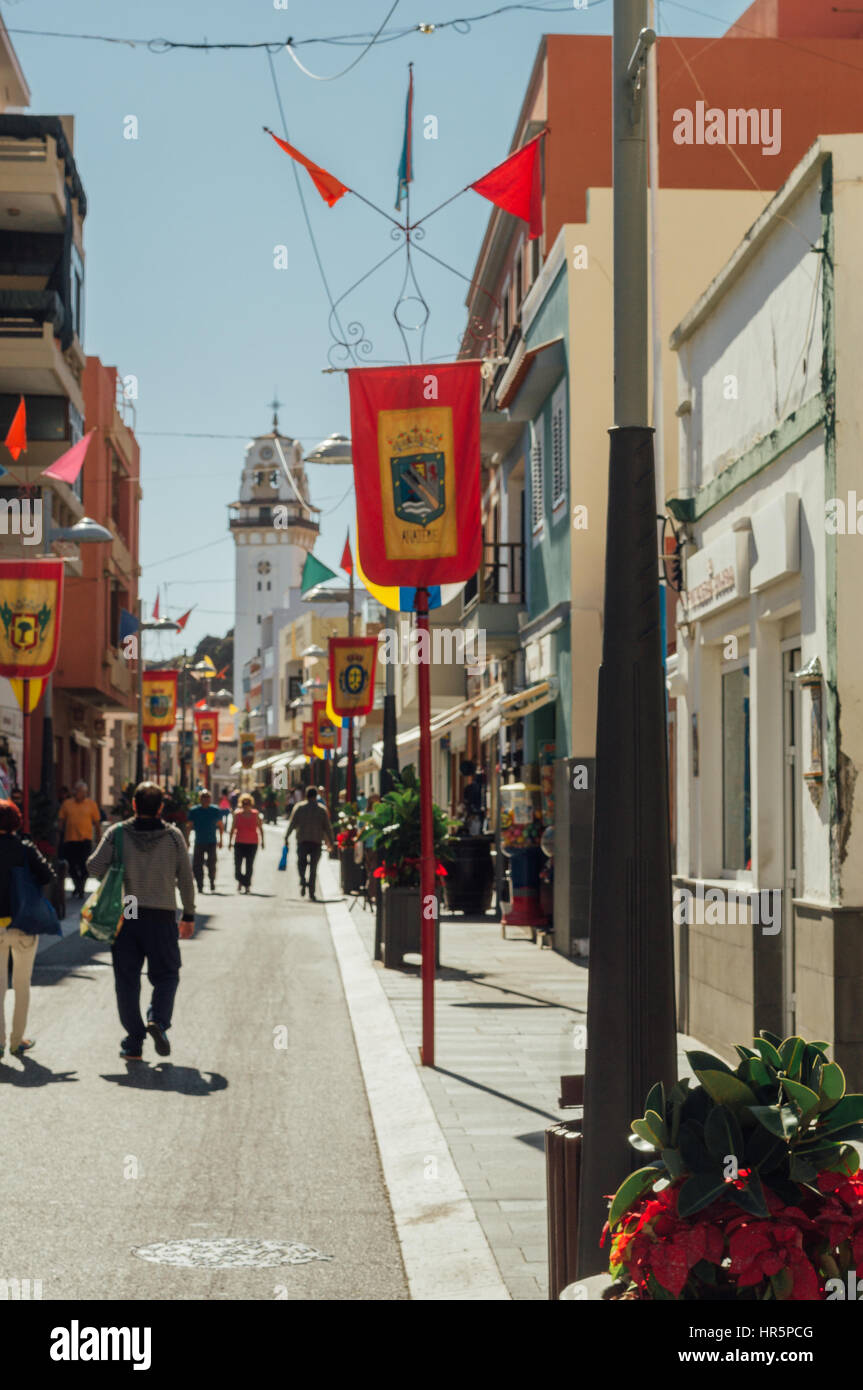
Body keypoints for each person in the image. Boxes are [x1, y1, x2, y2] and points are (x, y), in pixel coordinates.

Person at [87, 781, 195, 1062]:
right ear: (161, 807)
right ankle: (158, 1020)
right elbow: (185, 878)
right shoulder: (173, 837)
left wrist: (116, 871)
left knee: (127, 979)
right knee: (167, 973)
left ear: (134, 805)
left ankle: (134, 1041)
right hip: (161, 911)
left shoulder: (118, 832)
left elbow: (93, 867)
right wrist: (189, 915)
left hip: (129, 910)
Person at [0, 799, 55, 1059]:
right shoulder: (24, 848)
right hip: (22, 924)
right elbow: (47, 876)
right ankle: (16, 1040)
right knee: (22, 983)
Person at [284, 786, 335, 902]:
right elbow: (328, 827)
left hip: (302, 840)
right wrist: (331, 843)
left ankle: (302, 880)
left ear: (306, 795)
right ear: (316, 796)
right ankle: (312, 892)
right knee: (313, 867)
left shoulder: (299, 808)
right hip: (316, 841)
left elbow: (292, 823)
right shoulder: (321, 809)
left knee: (301, 863)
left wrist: (286, 837)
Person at [58, 780, 102, 899]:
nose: (80, 794)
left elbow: (97, 823)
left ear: (86, 793)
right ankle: (77, 884)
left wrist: (99, 837)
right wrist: (59, 835)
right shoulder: (67, 804)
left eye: (82, 792)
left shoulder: (91, 804)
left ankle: (81, 886)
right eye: (78, 791)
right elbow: (61, 820)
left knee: (85, 865)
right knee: (71, 865)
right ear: (74, 791)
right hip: (70, 839)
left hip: (85, 840)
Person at [188, 790, 228, 893]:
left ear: (210, 799)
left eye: (207, 797)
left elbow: (220, 825)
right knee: (197, 864)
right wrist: (187, 840)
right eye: (203, 797)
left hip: (212, 841)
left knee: (212, 863)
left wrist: (221, 840)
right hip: (199, 841)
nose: (205, 800)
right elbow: (189, 826)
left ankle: (212, 882)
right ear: (200, 799)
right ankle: (200, 885)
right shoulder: (194, 811)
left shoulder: (215, 810)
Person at [229, 793, 264, 893]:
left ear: (251, 803)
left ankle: (246, 884)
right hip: (239, 843)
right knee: (237, 866)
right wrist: (230, 842)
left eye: (248, 803)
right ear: (241, 803)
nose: (246, 805)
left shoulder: (255, 814)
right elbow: (232, 828)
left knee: (249, 865)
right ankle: (242, 881)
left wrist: (263, 841)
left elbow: (260, 828)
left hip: (252, 843)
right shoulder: (237, 814)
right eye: (244, 803)